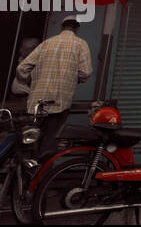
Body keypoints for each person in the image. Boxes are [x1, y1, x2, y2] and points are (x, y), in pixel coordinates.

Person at [15, 18, 91, 151]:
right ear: (77, 29)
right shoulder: (81, 44)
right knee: (50, 142)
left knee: (30, 141)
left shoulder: (46, 43)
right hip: (59, 103)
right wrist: (73, 78)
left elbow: (22, 68)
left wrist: (28, 80)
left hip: (37, 104)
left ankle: (28, 169)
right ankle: (45, 170)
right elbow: (85, 72)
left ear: (61, 28)